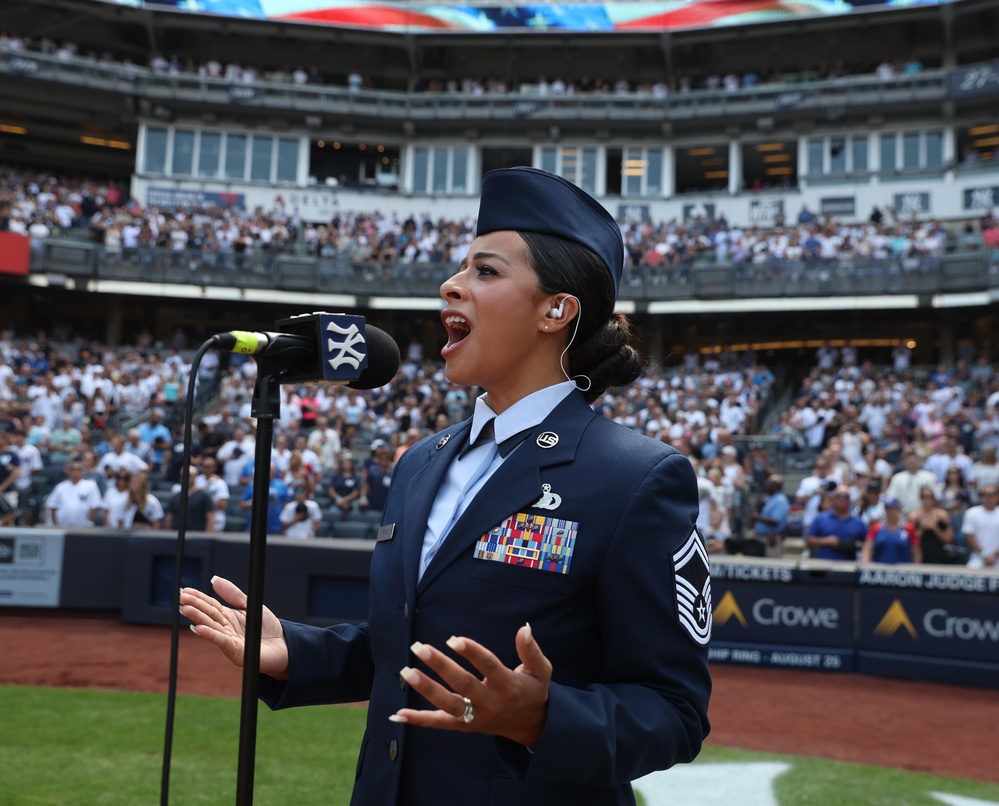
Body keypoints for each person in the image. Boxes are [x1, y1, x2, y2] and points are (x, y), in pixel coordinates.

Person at [180, 166, 711, 804]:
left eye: (485, 271)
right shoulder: (420, 461)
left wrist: (542, 718)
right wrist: (295, 651)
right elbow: (408, 646)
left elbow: (674, 711)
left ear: (556, 309)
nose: (451, 285)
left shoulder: (636, 477)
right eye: (462, 268)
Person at [805, 484, 867, 561]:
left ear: (849, 501)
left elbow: (867, 543)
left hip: (849, 568)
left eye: (845, 497)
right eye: (838, 496)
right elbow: (808, 540)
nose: (842, 499)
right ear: (833, 499)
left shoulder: (858, 522)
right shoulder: (821, 518)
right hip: (824, 567)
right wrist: (826, 541)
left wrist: (864, 560)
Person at [861, 498, 921, 565]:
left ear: (898, 509)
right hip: (880, 570)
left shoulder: (909, 529)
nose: (889, 511)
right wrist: (865, 565)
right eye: (887, 508)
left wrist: (916, 569)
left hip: (903, 571)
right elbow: (867, 548)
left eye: (892, 508)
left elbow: (916, 553)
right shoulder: (876, 528)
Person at [46, 461, 103, 527]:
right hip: (63, 526)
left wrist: (90, 523)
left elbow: (94, 507)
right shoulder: (60, 487)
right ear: (69, 472)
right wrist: (55, 525)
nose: (75, 472)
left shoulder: (91, 486)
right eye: (73, 470)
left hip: (83, 527)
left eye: (78, 470)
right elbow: (53, 506)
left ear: (83, 472)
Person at [907, 485, 954, 565]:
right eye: (924, 497)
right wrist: (921, 530)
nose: (926, 500)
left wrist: (935, 528)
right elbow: (909, 540)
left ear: (933, 499)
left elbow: (949, 539)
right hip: (921, 552)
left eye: (929, 497)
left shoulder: (942, 515)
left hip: (938, 552)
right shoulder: (913, 516)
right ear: (920, 498)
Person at [963, 483, 999, 569]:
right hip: (977, 559)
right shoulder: (971, 513)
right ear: (981, 497)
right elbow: (970, 536)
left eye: (991, 495)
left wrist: (995, 556)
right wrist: (984, 555)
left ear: (997, 497)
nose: (988, 498)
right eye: (985, 495)